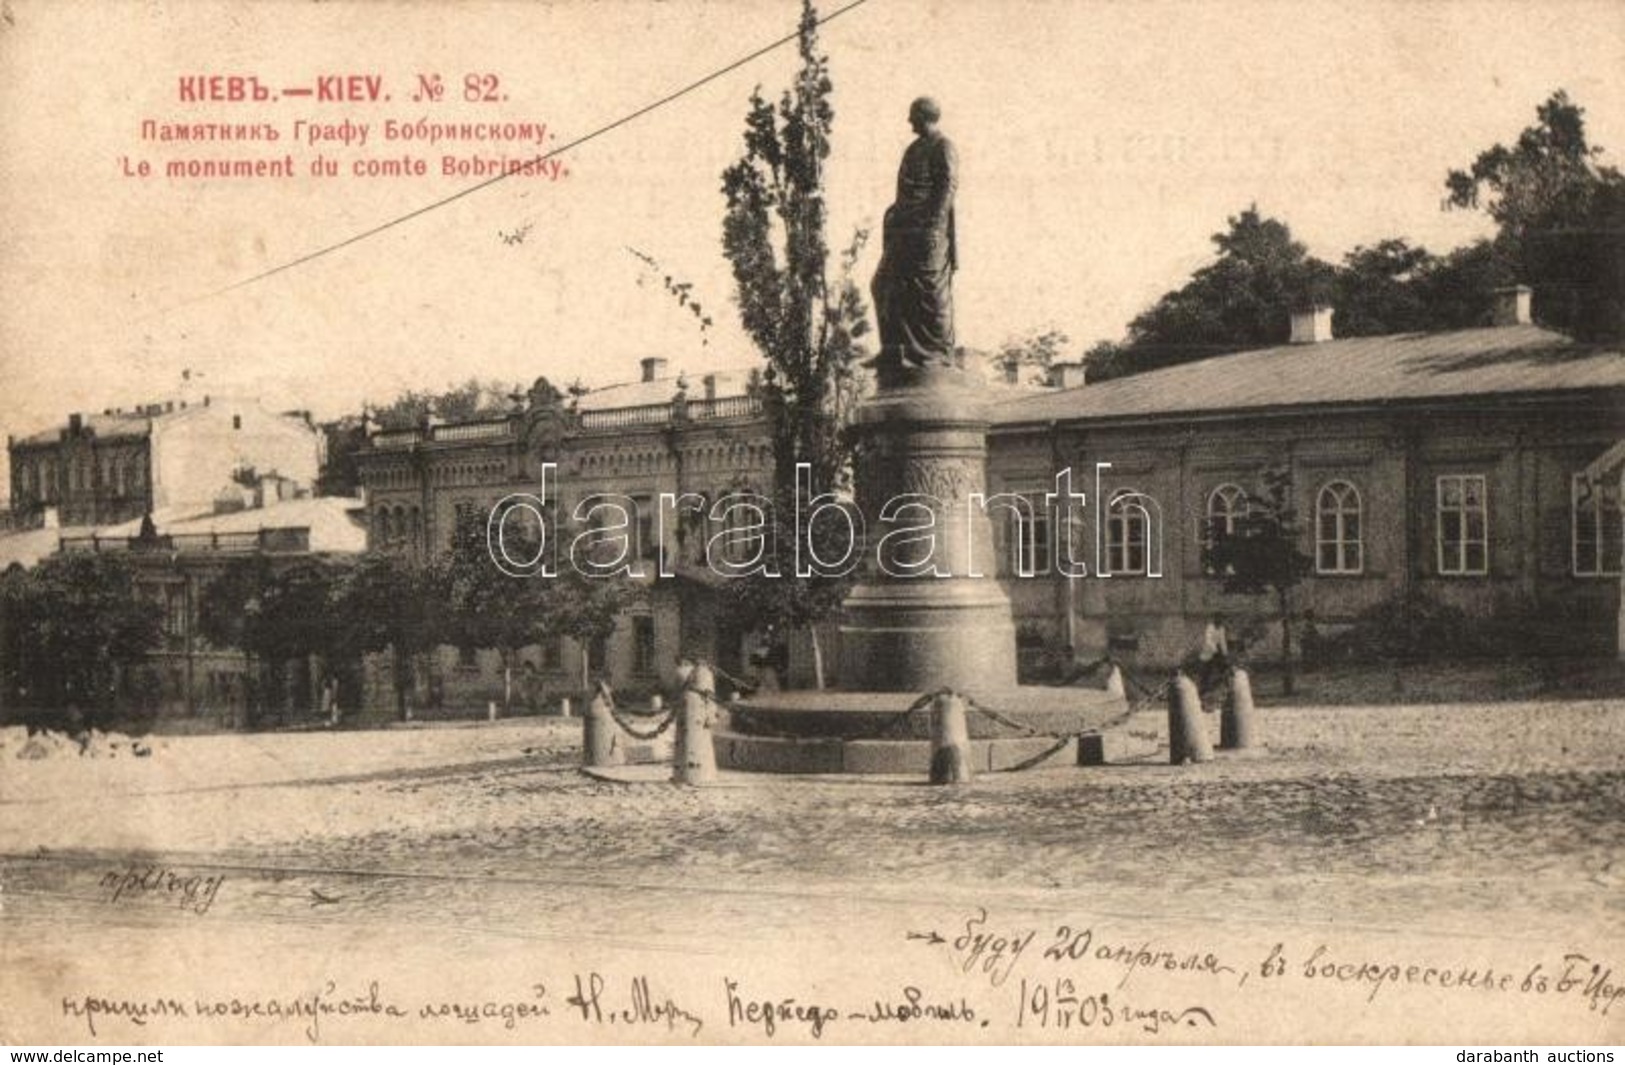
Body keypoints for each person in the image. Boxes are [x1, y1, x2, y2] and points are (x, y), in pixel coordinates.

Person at [870, 97, 959, 375]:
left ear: (924, 116)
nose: (909, 121)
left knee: (929, 292)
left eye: (913, 116)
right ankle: (893, 349)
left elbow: (947, 188)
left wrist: (933, 227)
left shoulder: (943, 146)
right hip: (903, 231)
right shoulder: (913, 149)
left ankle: (936, 354)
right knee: (883, 284)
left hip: (929, 231)